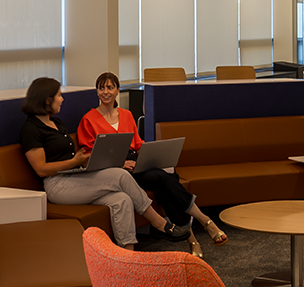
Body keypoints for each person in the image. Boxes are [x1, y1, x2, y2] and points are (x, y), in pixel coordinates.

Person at [19, 76, 189, 249]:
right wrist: (74, 161)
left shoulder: (56, 123)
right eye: (58, 95)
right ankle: (159, 223)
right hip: (57, 185)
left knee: (122, 199)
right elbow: (41, 169)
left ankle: (127, 253)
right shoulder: (31, 129)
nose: (62, 99)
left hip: (75, 175)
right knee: (120, 175)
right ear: (47, 100)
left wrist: (85, 162)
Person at [75, 72, 229, 245]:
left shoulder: (127, 115)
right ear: (96, 92)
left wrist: (153, 156)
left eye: (110, 87)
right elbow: (91, 155)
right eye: (101, 88)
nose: (105, 92)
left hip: (135, 162)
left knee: (168, 175)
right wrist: (120, 163)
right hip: (115, 170)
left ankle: (192, 238)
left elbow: (138, 144)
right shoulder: (88, 119)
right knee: (163, 179)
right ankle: (203, 222)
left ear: (118, 90)